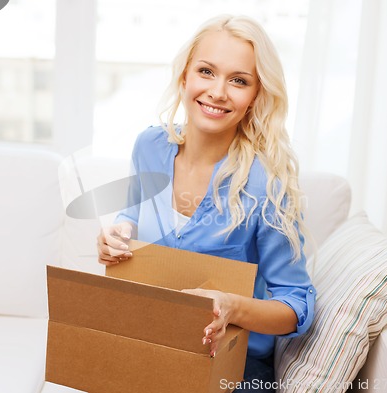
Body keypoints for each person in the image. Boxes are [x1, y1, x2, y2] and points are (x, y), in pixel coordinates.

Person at [97, 14, 315, 393]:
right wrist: (119, 234)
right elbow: (132, 212)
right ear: (185, 77)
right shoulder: (149, 147)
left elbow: (297, 305)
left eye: (239, 80)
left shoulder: (266, 184)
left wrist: (232, 305)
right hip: (151, 348)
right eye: (206, 71)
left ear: (255, 96)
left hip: (232, 369)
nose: (217, 92)